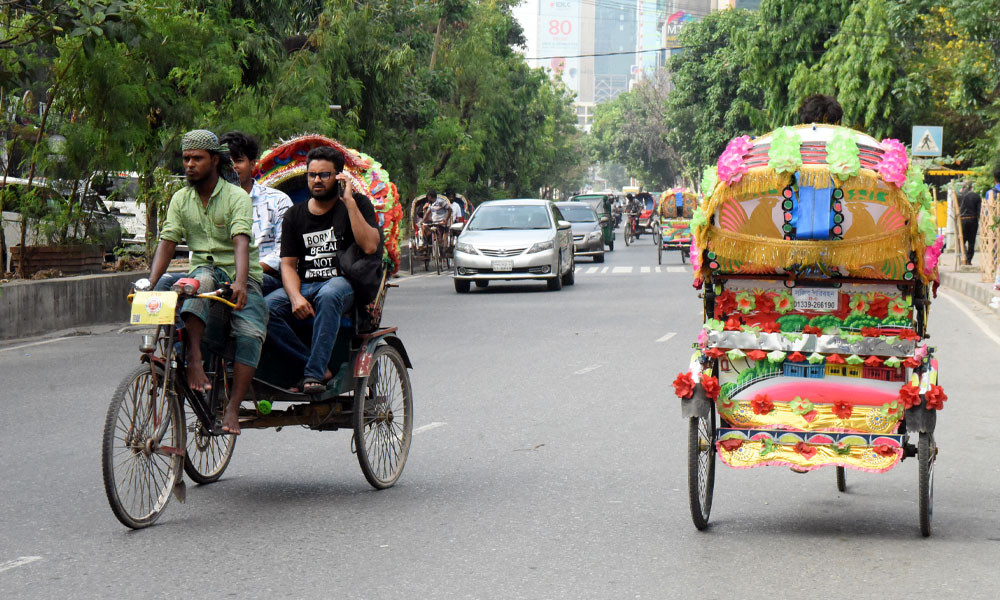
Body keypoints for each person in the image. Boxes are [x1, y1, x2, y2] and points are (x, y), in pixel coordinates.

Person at [146, 129, 268, 435]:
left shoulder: (236, 197)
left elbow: (241, 240)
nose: (189, 164)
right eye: (186, 158)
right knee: (172, 287)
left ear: (214, 160)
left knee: (251, 333)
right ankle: (179, 355)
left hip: (240, 275)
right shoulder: (180, 199)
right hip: (202, 272)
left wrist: (241, 282)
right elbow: (168, 242)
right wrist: (150, 282)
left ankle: (231, 407)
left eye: (197, 158)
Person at [266, 146, 380, 394]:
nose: (317, 180)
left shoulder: (357, 204)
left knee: (330, 294)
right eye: (312, 175)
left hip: (343, 283)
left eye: (324, 175)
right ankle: (311, 364)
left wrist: (349, 203)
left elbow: (370, 246)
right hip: (305, 284)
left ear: (338, 176)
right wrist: (295, 297)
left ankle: (313, 374)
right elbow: (287, 264)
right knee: (265, 309)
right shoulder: (295, 215)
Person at [220, 131, 293, 295]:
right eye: (227, 162)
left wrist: (242, 272)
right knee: (169, 283)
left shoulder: (278, 201)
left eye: (238, 161)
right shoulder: (212, 202)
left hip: (264, 276)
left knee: (237, 283)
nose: (233, 167)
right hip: (220, 275)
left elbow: (283, 253)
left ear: (253, 164)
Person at [957, 181, 982, 265]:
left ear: (963, 187)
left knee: (961, 240)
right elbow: (979, 212)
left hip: (962, 219)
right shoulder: (976, 196)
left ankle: (963, 257)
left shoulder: (959, 196)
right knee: (971, 241)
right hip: (973, 220)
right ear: (971, 187)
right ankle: (969, 260)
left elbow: (956, 209)